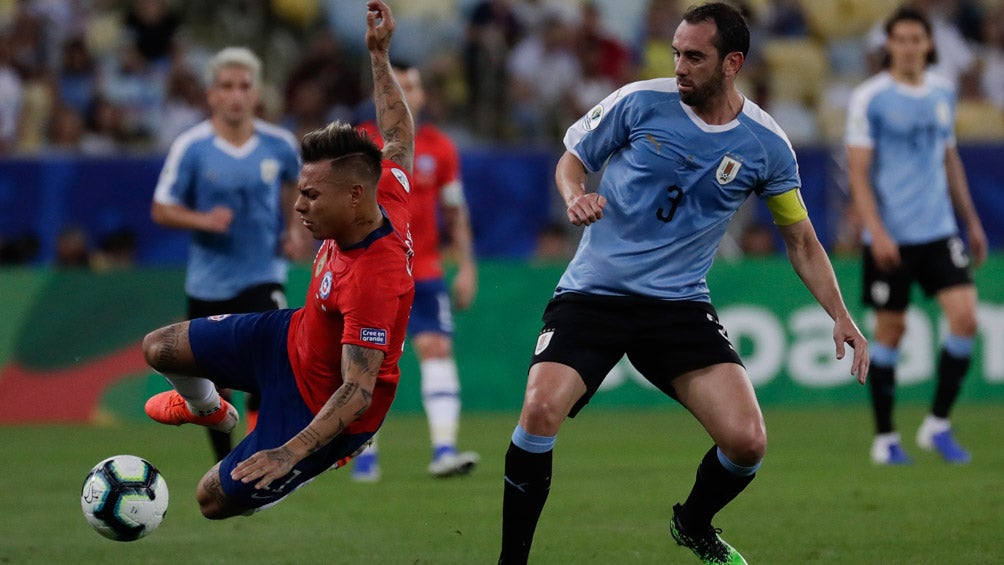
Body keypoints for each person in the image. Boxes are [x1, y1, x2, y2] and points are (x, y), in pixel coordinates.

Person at [498, 4, 870, 564]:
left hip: (678, 306)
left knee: (747, 443)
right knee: (539, 410)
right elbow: (571, 161)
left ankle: (694, 523)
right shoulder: (639, 101)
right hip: (594, 293)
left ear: (731, 63)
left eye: (694, 56)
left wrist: (841, 314)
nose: (679, 66)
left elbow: (802, 241)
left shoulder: (765, 145)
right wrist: (576, 196)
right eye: (676, 53)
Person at [142, 0, 415, 519]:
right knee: (159, 348)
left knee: (211, 502)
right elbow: (399, 135)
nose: (297, 204)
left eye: (311, 196)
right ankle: (211, 409)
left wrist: (289, 452)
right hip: (286, 338)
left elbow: (356, 393)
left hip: (317, 405)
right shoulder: (390, 187)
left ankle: (304, 467)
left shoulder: (375, 281)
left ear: (355, 196)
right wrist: (379, 55)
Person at [151, 45, 312, 462]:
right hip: (209, 281)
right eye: (227, 86)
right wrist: (203, 221)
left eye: (244, 86)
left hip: (263, 274)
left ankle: (259, 460)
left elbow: (299, 186)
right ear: (212, 95)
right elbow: (161, 208)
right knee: (215, 387)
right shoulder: (192, 147)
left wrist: (295, 229)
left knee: (271, 365)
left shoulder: (278, 145)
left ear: (256, 93)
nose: (236, 95)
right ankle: (224, 465)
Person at [845, 6, 986, 466]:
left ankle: (937, 424)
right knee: (892, 329)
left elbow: (949, 160)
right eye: (899, 39)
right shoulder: (870, 97)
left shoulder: (943, 92)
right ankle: (885, 438)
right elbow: (859, 174)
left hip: (939, 229)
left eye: (915, 39)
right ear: (889, 45)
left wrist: (972, 221)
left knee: (965, 318)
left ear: (928, 44)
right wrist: (877, 232)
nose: (907, 47)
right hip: (891, 236)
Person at [351, 60, 480, 481]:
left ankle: (444, 449)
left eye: (413, 86)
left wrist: (466, 266)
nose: (404, 95)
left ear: (422, 95)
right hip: (374, 272)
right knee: (369, 360)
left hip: (424, 271)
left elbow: (455, 211)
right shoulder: (359, 144)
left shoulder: (440, 148)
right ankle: (363, 453)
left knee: (436, 350)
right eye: (397, 87)